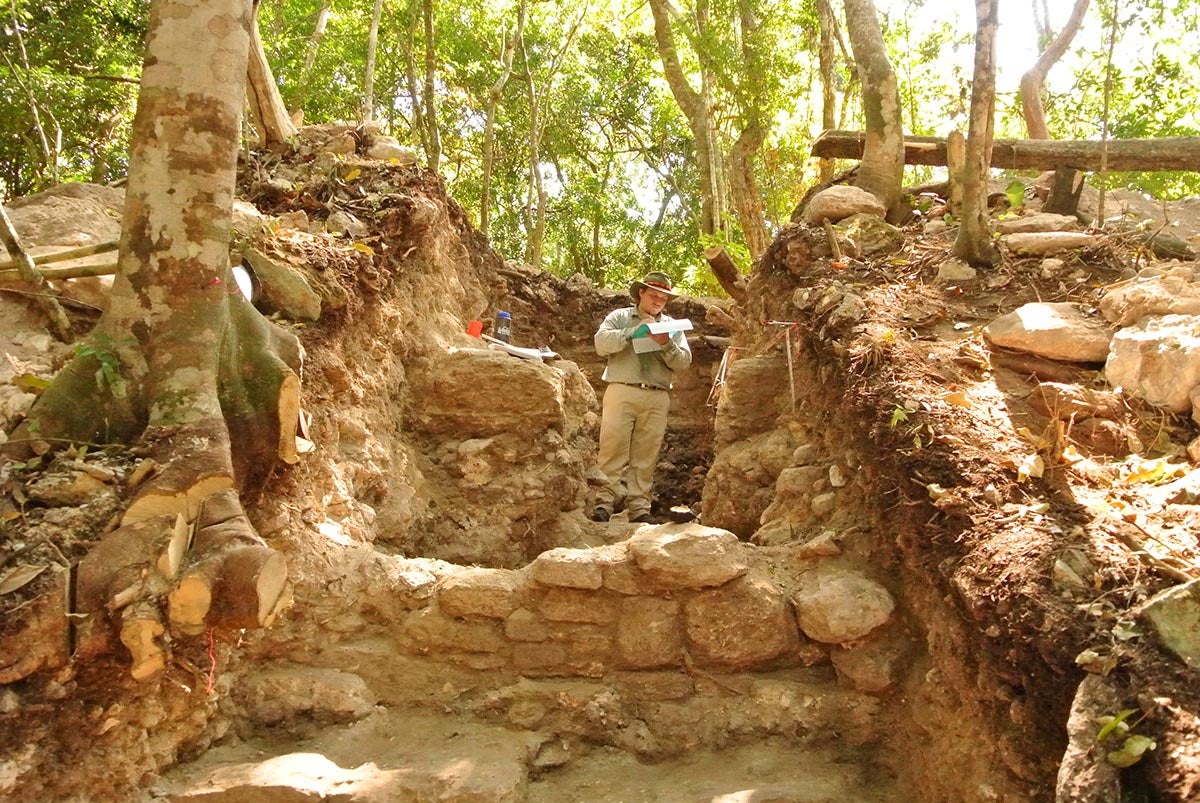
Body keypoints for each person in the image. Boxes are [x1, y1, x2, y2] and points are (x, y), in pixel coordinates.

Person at [590, 270, 692, 523]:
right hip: (621, 389)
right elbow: (601, 344)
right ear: (641, 293)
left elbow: (683, 362)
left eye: (663, 298)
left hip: (657, 395)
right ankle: (603, 503)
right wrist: (632, 332)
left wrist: (666, 343)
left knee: (646, 454)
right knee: (612, 449)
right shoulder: (620, 317)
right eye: (654, 295)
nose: (658, 301)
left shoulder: (672, 327)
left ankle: (639, 508)